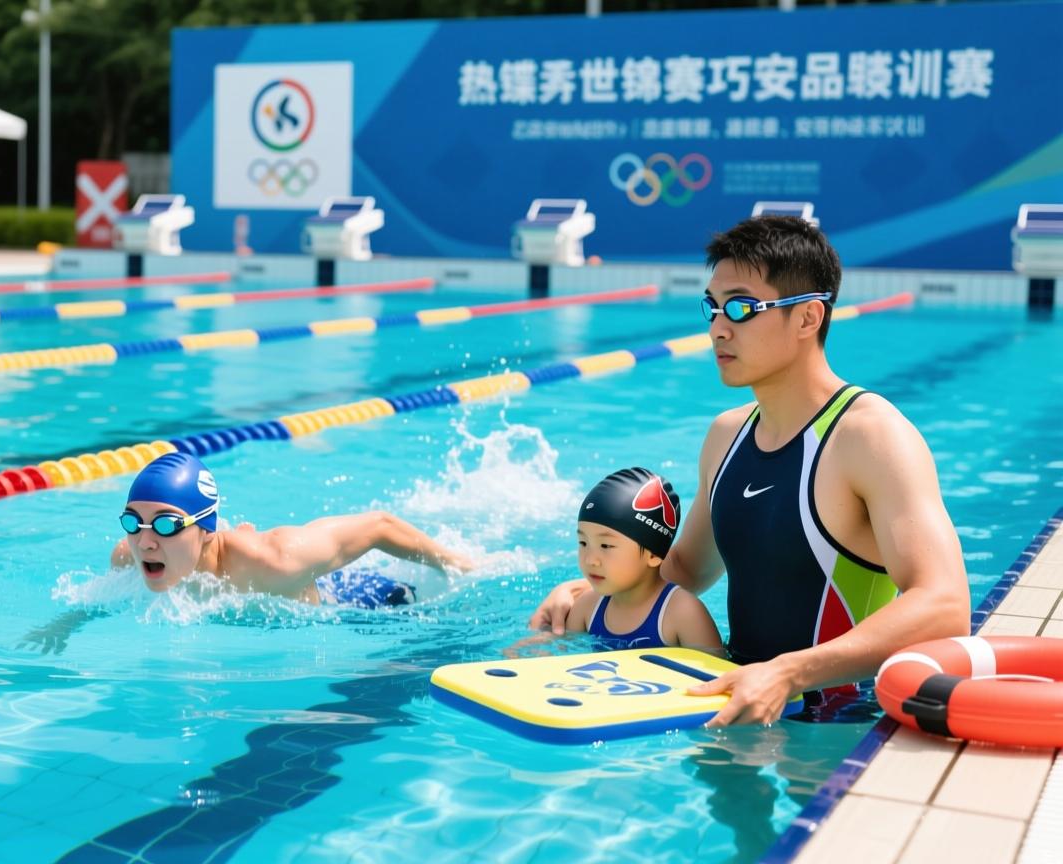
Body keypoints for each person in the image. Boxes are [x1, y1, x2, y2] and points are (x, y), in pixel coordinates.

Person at [529, 215, 970, 726]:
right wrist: (587, 590)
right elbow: (683, 571)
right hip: (741, 700)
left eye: (741, 308)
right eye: (713, 308)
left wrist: (789, 673)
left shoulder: (869, 436)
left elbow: (944, 604)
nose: (718, 327)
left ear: (807, 318)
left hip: (846, 723)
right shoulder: (727, 435)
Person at [112, 451, 476, 605]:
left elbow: (379, 526)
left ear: (206, 528)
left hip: (358, 605)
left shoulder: (275, 560)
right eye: (134, 521)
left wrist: (456, 564)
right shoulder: (128, 557)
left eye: (166, 524)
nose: (145, 541)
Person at [567, 467, 722, 654]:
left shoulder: (683, 615)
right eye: (583, 542)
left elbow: (716, 677)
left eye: (606, 546)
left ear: (653, 554)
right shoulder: (587, 608)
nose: (590, 560)